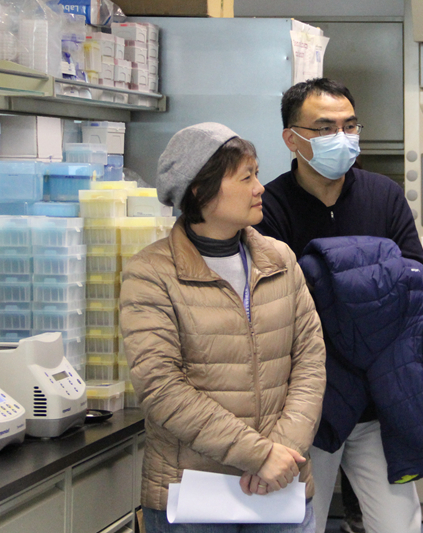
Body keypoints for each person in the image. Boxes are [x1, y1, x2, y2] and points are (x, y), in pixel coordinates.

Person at [119, 122, 327, 533]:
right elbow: (161, 388)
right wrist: (257, 455)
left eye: (257, 174)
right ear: (200, 191)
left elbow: (310, 361)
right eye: (246, 177)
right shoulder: (151, 274)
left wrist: (282, 452)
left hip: (280, 488)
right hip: (193, 496)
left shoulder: (279, 259)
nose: (260, 188)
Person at [254, 78, 423, 533]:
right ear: (292, 139)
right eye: (326, 128)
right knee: (300, 523)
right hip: (306, 404)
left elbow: (414, 282)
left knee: (399, 525)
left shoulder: (383, 196)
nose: (342, 137)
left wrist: (327, 279)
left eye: (350, 126)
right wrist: (371, 280)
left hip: (378, 399)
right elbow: (277, 306)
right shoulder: (269, 207)